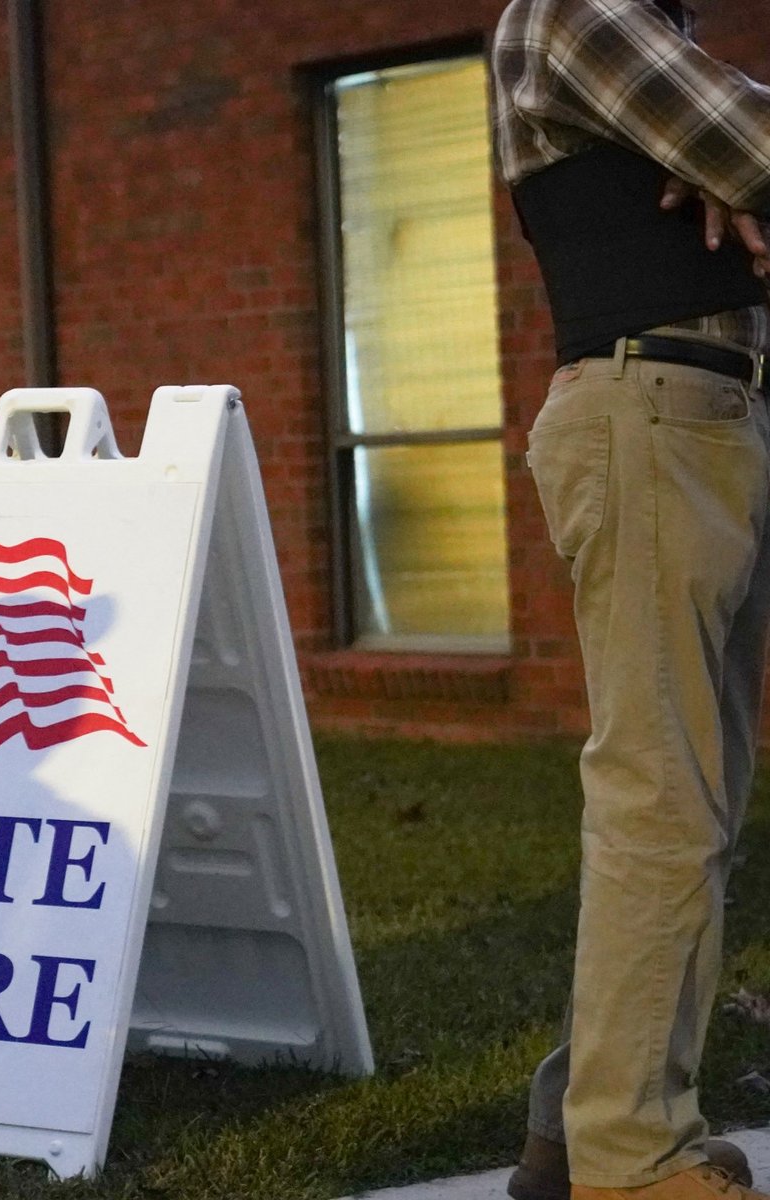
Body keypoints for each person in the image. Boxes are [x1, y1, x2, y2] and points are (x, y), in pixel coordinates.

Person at [494, 2, 770, 1199]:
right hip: (650, 413)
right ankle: (626, 1156)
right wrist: (738, 172)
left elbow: (737, 150)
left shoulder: (648, 36)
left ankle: (582, 1124)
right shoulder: (575, 9)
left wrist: (730, 182)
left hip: (699, 416)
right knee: (665, 796)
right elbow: (752, 141)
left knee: (688, 798)